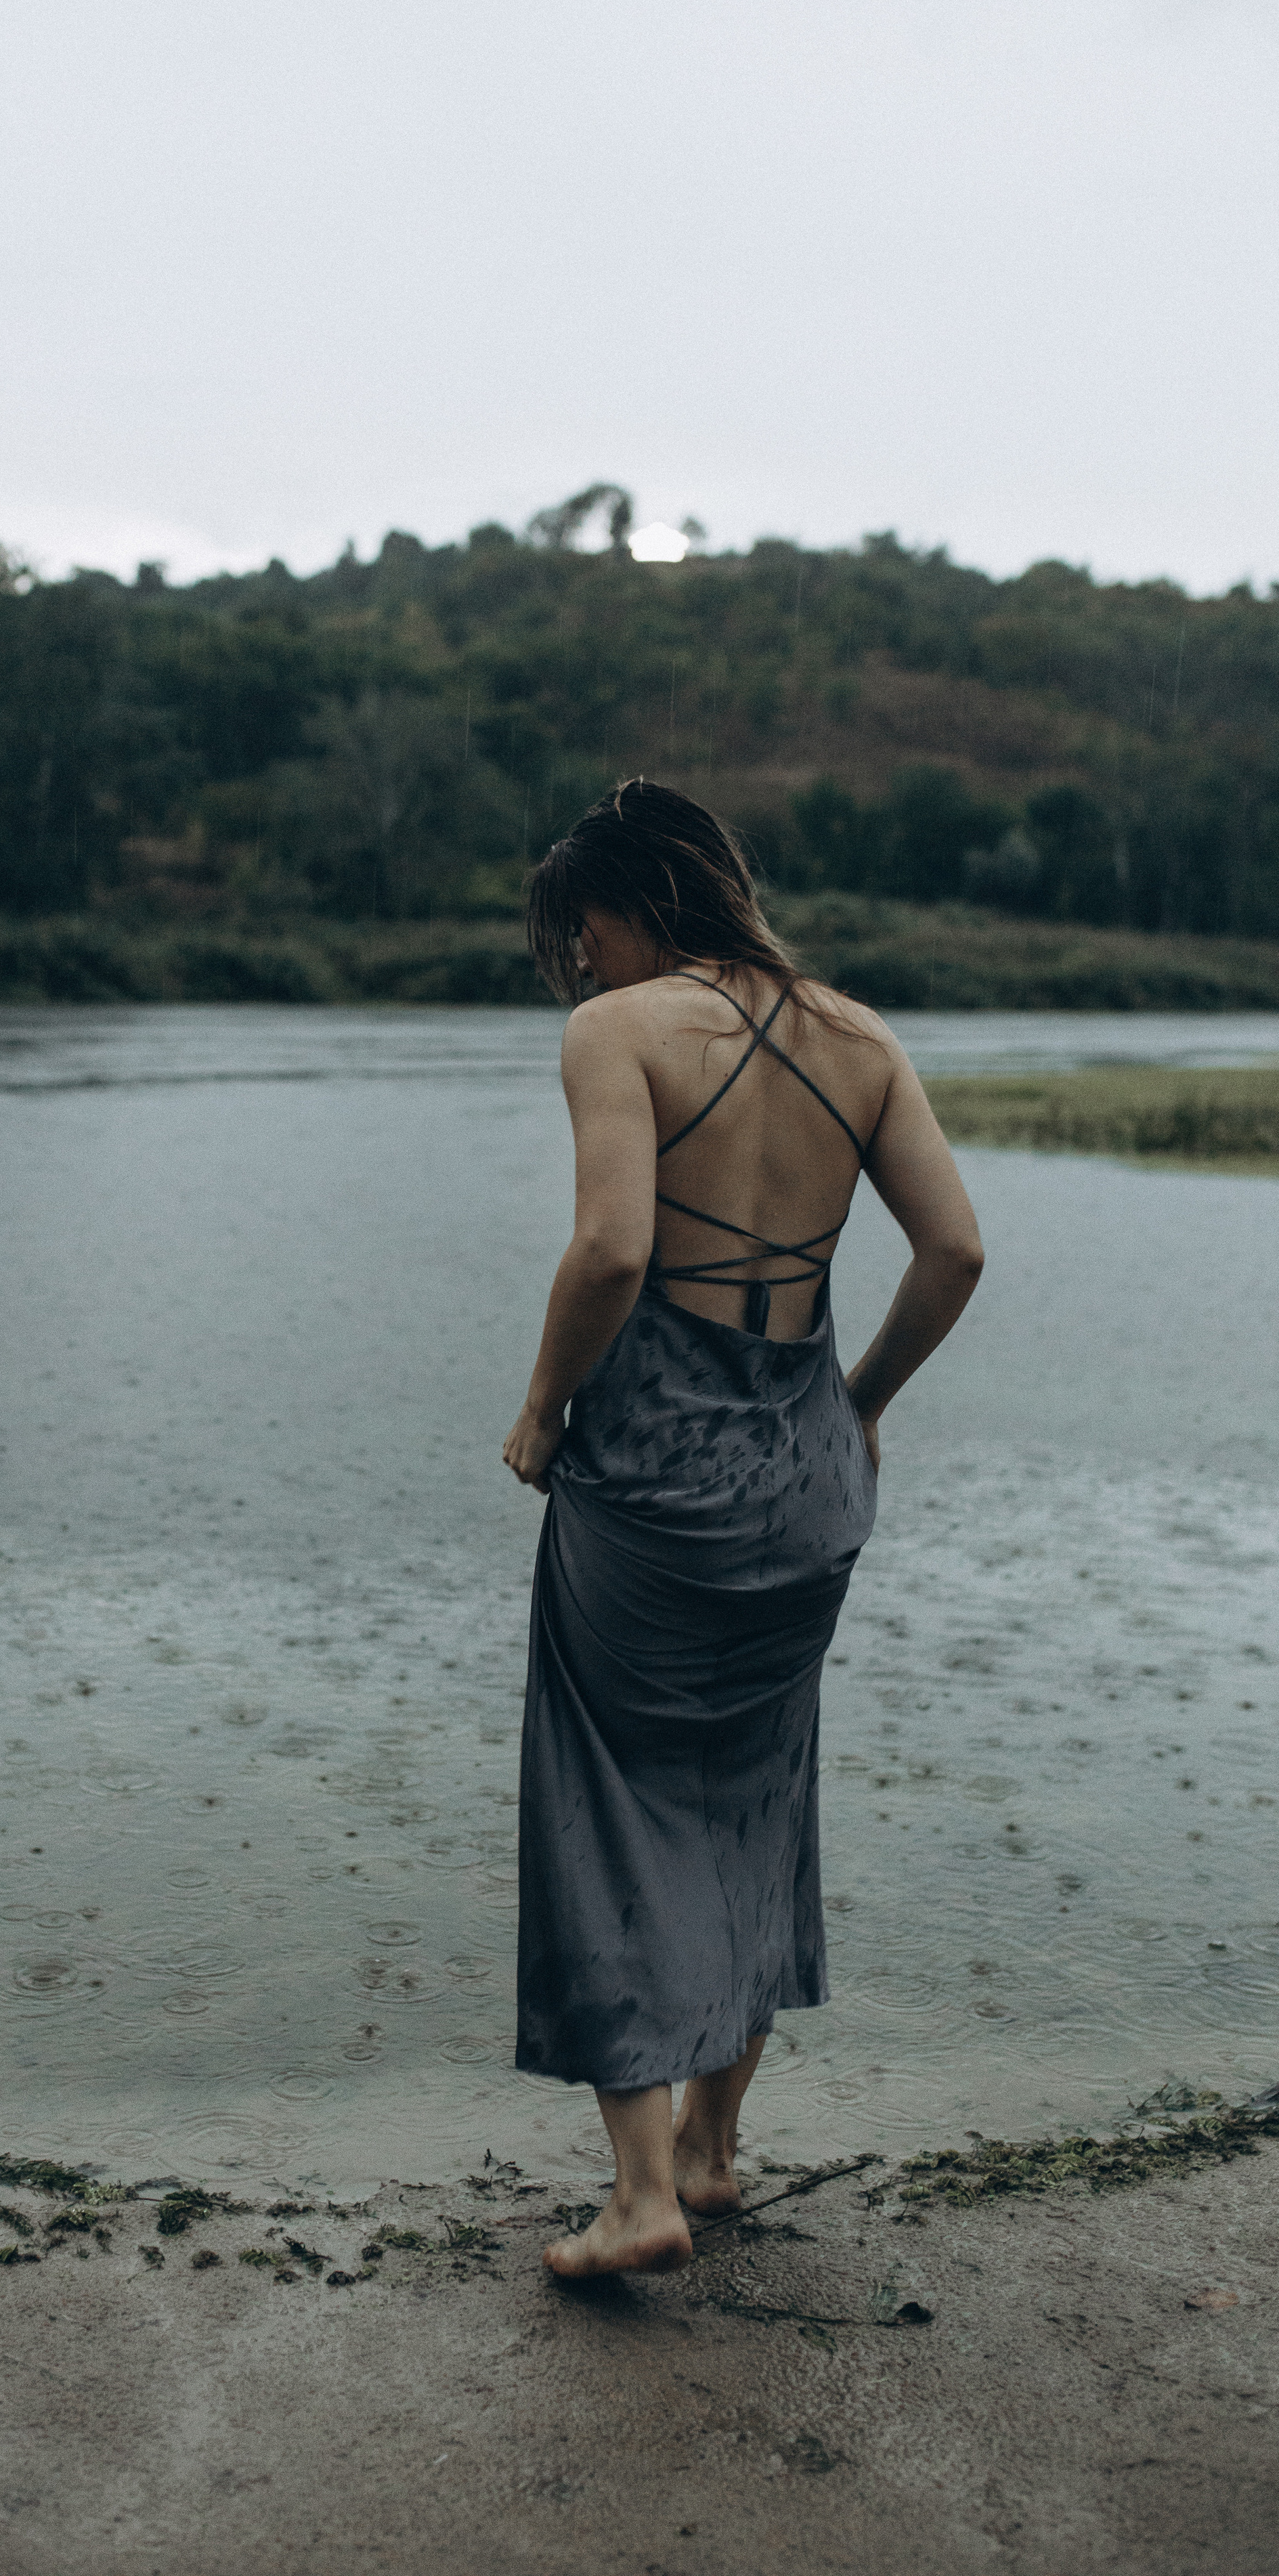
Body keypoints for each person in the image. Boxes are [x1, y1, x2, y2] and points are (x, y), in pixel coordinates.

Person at [502, 780, 983, 2280]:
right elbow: (954, 1249)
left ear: (627, 905)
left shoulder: (616, 1034)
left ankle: (636, 2194)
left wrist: (535, 1416)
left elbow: (610, 1250)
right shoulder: (858, 1035)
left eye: (579, 932)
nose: (578, 966)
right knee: (752, 1794)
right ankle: (712, 2157)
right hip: (803, 1480)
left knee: (606, 1798)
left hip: (652, 1473)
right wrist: (855, 1404)